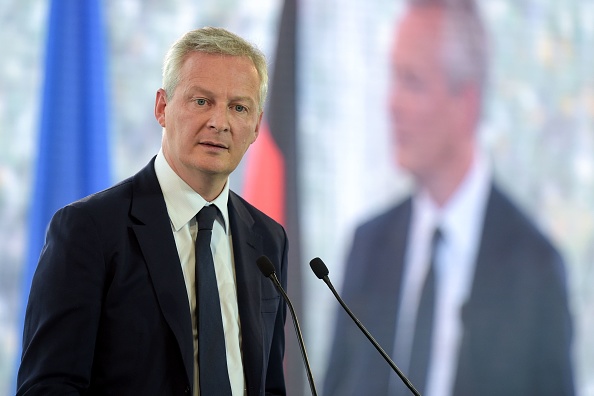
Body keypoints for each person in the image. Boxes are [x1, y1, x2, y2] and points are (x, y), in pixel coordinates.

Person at [17, 27, 288, 396]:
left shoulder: (268, 239)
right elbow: (49, 385)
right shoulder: (89, 229)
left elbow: (270, 384)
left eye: (238, 107)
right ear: (162, 107)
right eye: (201, 101)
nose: (219, 122)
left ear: (256, 125)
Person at [323, 1, 575, 395]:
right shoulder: (368, 246)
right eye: (394, 77)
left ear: (466, 103)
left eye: (413, 81)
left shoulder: (536, 269)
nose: (392, 104)